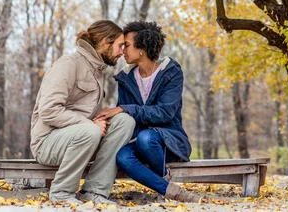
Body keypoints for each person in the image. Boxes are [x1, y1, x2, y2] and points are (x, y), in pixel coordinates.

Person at [30, 20, 135, 204]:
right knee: (91, 130)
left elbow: (81, 113)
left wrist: (104, 117)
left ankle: (94, 191)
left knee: (125, 121)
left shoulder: (96, 69)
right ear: (105, 42)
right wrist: (89, 124)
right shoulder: (69, 64)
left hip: (81, 138)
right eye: (120, 45)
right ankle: (62, 193)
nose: (122, 51)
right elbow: (48, 110)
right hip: (47, 142)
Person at [95, 21, 201, 202]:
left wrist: (124, 109)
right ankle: (169, 189)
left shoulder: (171, 72)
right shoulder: (125, 79)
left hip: (169, 141)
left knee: (147, 137)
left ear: (142, 47)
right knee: (123, 157)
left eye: (126, 45)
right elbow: (126, 118)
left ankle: (164, 185)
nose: (123, 51)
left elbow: (164, 113)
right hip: (138, 141)